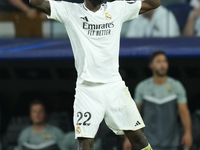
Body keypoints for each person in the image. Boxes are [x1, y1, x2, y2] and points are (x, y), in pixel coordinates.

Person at [29, 0, 161, 150]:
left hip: (114, 86)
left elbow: (154, 3)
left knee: (138, 137)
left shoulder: (118, 8)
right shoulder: (69, 10)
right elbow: (36, 2)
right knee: (85, 143)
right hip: (87, 90)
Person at [123, 51, 193, 150]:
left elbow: (184, 111)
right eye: (158, 61)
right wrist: (129, 137)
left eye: (165, 61)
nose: (162, 65)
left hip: (172, 141)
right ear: (151, 65)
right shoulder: (142, 87)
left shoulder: (176, 86)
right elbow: (135, 113)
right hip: (148, 142)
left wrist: (188, 132)